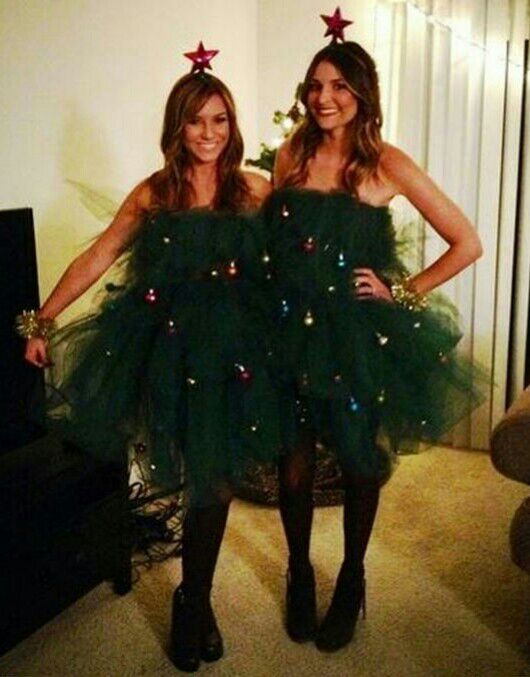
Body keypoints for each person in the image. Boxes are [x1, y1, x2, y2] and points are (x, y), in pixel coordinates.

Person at [19, 45, 277, 673]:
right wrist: (43, 317)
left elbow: (293, 257)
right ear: (176, 128)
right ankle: (195, 599)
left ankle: (194, 599)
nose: (209, 133)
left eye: (219, 120)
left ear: (232, 124)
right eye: (195, 121)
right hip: (166, 348)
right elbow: (100, 255)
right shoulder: (155, 192)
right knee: (191, 470)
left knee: (216, 479)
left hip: (233, 351)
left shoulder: (254, 189)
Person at [266, 17, 483, 653]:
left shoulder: (386, 163)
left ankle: (352, 577)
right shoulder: (291, 154)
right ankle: (299, 572)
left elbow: (467, 241)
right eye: (315, 85)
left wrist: (402, 290)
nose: (324, 97)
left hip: (354, 337)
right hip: (288, 328)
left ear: (363, 92)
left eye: (339, 86)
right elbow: (278, 238)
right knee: (293, 468)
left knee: (360, 463)